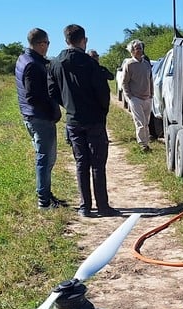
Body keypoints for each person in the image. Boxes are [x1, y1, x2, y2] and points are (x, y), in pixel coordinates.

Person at [48, 24, 119, 217]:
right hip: (94, 119)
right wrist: (102, 112)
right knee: (97, 164)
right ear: (84, 40)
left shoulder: (55, 63)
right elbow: (103, 92)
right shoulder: (90, 63)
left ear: (66, 40)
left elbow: (52, 91)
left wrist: (68, 105)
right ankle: (102, 206)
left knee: (81, 163)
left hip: (74, 120)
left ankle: (84, 207)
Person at [14, 28, 66, 209]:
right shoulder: (33, 65)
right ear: (41, 44)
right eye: (47, 43)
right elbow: (33, 96)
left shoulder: (23, 59)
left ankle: (47, 195)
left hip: (31, 115)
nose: (48, 46)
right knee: (46, 159)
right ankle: (44, 201)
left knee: (45, 157)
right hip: (40, 118)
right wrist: (52, 110)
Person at [120, 39, 154, 152]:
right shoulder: (129, 64)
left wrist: (151, 94)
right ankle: (142, 144)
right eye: (136, 48)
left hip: (147, 97)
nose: (139, 50)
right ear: (132, 51)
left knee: (146, 122)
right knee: (140, 122)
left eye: (140, 48)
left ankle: (146, 142)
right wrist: (129, 96)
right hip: (135, 98)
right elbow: (124, 82)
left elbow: (150, 79)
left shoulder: (146, 64)